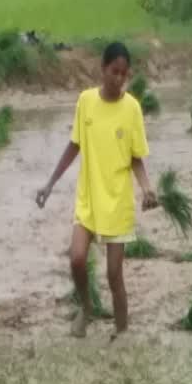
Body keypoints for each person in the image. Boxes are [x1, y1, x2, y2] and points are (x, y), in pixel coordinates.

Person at [36, 42, 156, 339]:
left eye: (124, 74)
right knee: (76, 258)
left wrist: (147, 189)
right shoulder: (86, 102)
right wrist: (50, 184)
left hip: (117, 203)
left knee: (115, 275)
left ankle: (122, 332)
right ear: (102, 70)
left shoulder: (132, 109)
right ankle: (87, 308)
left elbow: (136, 159)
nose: (119, 79)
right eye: (114, 72)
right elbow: (74, 145)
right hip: (88, 199)